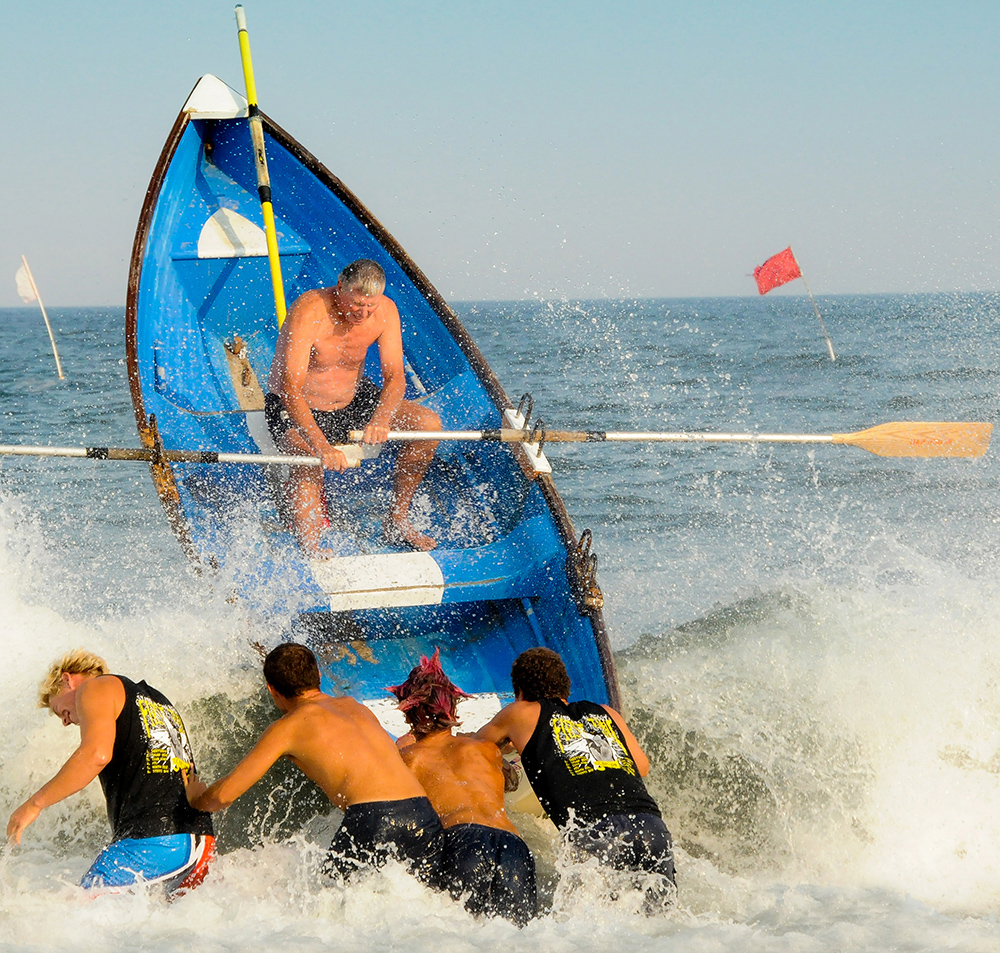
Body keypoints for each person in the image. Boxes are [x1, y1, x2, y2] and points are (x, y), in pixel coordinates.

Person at [184, 642, 442, 883]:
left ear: (271, 690)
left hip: (372, 819)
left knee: (333, 911)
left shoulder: (288, 728)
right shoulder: (355, 707)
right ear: (318, 675)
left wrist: (197, 798)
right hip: (422, 814)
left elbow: (224, 796)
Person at [266, 258, 441, 554]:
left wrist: (382, 419)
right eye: (357, 304)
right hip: (298, 404)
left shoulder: (385, 312)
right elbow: (289, 389)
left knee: (428, 425)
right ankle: (311, 548)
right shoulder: (310, 310)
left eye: (370, 306)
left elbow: (395, 377)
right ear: (339, 288)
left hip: (352, 398)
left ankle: (397, 520)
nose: (363, 313)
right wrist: (322, 447)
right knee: (308, 457)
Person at [6, 649, 215, 897]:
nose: (64, 721)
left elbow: (96, 755)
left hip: (155, 842)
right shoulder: (153, 700)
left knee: (77, 912)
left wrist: (34, 804)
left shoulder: (95, 688)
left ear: (67, 679)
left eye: (57, 707)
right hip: (198, 843)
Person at [475, 647, 676, 892]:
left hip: (597, 832)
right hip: (651, 827)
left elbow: (473, 748)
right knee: (657, 918)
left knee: (595, 925)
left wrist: (511, 745)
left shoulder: (519, 713)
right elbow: (641, 767)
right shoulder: (607, 712)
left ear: (519, 693)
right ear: (565, 686)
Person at [389, 649, 537, 926]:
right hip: (513, 845)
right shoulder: (486, 750)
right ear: (453, 708)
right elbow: (506, 781)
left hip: (463, 843)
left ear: (409, 714)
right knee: (522, 938)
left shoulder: (409, 759)